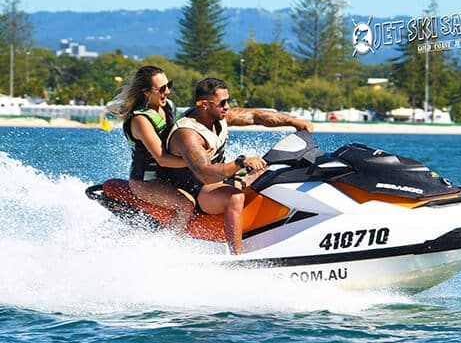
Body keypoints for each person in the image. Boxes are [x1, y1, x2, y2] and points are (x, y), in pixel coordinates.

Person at [164, 77, 313, 254]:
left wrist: (293, 122)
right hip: (195, 189)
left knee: (269, 172)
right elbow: (204, 174)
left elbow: (254, 116)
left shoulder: (218, 117)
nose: (227, 107)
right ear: (205, 104)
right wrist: (240, 162)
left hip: (217, 180)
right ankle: (237, 257)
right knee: (235, 197)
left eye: (228, 101)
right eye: (222, 102)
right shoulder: (187, 134)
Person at [107, 65, 194, 232]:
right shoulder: (140, 120)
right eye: (161, 88)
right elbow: (162, 158)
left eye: (169, 85)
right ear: (146, 92)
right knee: (186, 204)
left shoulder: (169, 106)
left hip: (170, 175)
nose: (167, 91)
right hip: (146, 182)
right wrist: (197, 164)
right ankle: (170, 247)